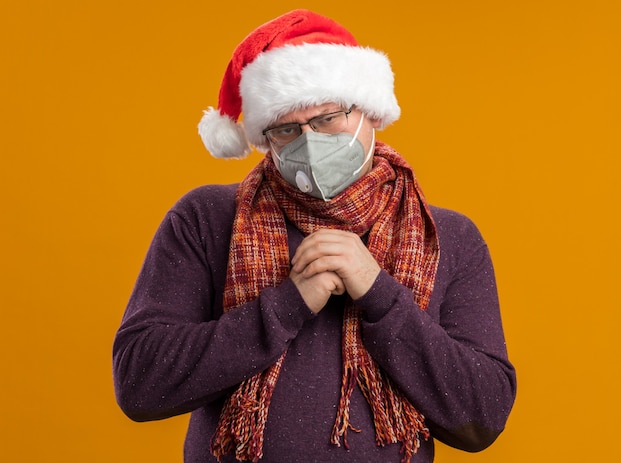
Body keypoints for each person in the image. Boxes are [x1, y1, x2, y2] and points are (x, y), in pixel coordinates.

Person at [113, 9, 516, 463]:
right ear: (267, 139)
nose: (308, 140)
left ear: (370, 113)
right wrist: (287, 304)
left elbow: (483, 416)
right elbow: (138, 383)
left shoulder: (449, 236)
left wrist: (379, 292)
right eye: (287, 129)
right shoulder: (207, 218)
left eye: (327, 119)